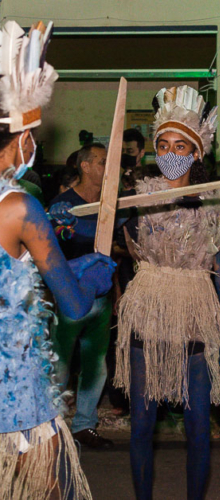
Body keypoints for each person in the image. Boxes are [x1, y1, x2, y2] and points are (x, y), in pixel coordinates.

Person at [0, 20, 114, 498]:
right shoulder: (18, 207)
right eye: (35, 134)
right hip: (16, 393)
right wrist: (93, 274)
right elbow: (71, 305)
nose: (36, 145)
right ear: (21, 135)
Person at [113, 85, 220, 500]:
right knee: (142, 425)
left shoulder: (214, 204)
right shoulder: (138, 198)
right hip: (147, 313)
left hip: (195, 315)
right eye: (162, 144)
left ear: (197, 152)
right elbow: (108, 237)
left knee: (199, 425)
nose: (169, 152)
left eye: (180, 144)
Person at [48, 143, 115, 450]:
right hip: (68, 298)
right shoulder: (63, 205)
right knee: (60, 365)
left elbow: (125, 245)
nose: (107, 167)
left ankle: (85, 425)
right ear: (85, 166)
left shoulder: (114, 202)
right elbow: (51, 252)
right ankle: (54, 428)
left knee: (95, 364)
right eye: (102, 162)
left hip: (101, 298)